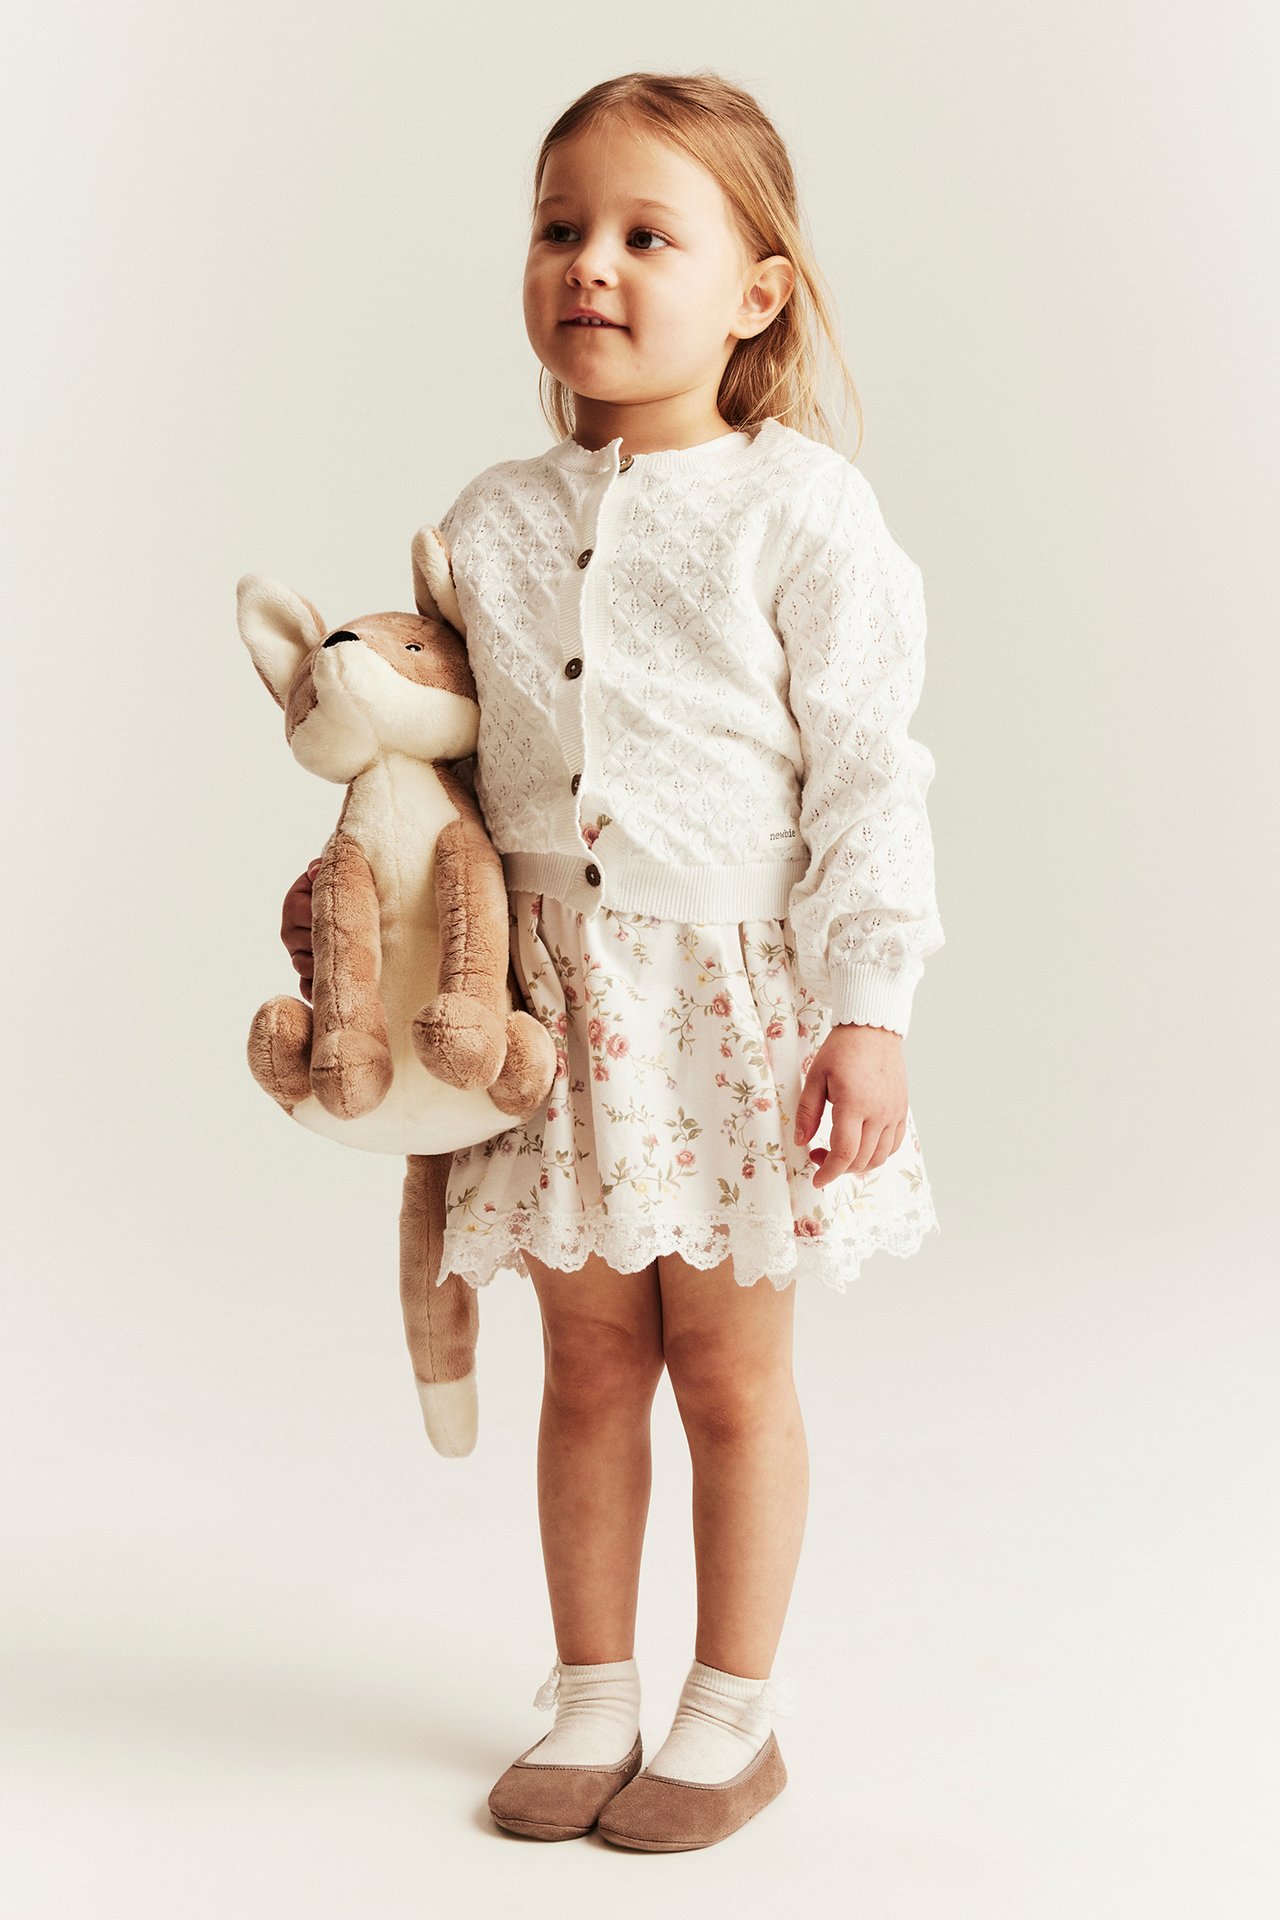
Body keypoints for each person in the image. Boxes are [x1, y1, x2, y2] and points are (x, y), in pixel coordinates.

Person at [278, 70, 945, 1851]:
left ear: (755, 291)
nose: (591, 264)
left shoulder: (803, 513)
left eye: (651, 234)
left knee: (729, 1372)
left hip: (728, 1009)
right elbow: (432, 754)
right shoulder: (493, 518)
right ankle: (590, 1691)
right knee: (587, 1364)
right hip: (556, 1016)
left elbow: (873, 771)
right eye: (562, 226)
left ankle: (734, 1712)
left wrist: (868, 1012)